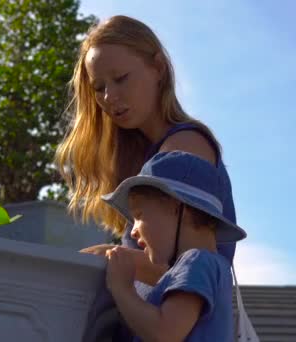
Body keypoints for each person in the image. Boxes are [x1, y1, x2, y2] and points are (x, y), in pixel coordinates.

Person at [55, 14, 238, 280]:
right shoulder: (148, 156)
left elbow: (191, 269)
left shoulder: (185, 147)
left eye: (121, 78)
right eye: (99, 87)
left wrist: (107, 256)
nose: (109, 97)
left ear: (159, 69)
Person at [102, 151, 247, 341]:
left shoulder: (197, 261)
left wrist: (122, 287)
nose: (133, 231)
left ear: (177, 208)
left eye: (139, 216)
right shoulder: (209, 265)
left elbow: (165, 332)